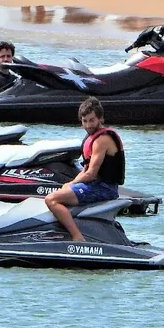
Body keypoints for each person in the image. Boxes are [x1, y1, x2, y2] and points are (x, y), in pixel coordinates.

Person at [44, 98, 124, 242]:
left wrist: (72, 184)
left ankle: (77, 236)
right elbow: (86, 169)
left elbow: (91, 173)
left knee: (51, 199)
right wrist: (69, 184)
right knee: (63, 190)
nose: (88, 125)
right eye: (84, 121)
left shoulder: (102, 139)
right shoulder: (92, 137)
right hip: (96, 185)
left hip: (104, 188)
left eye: (92, 120)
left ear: (101, 119)